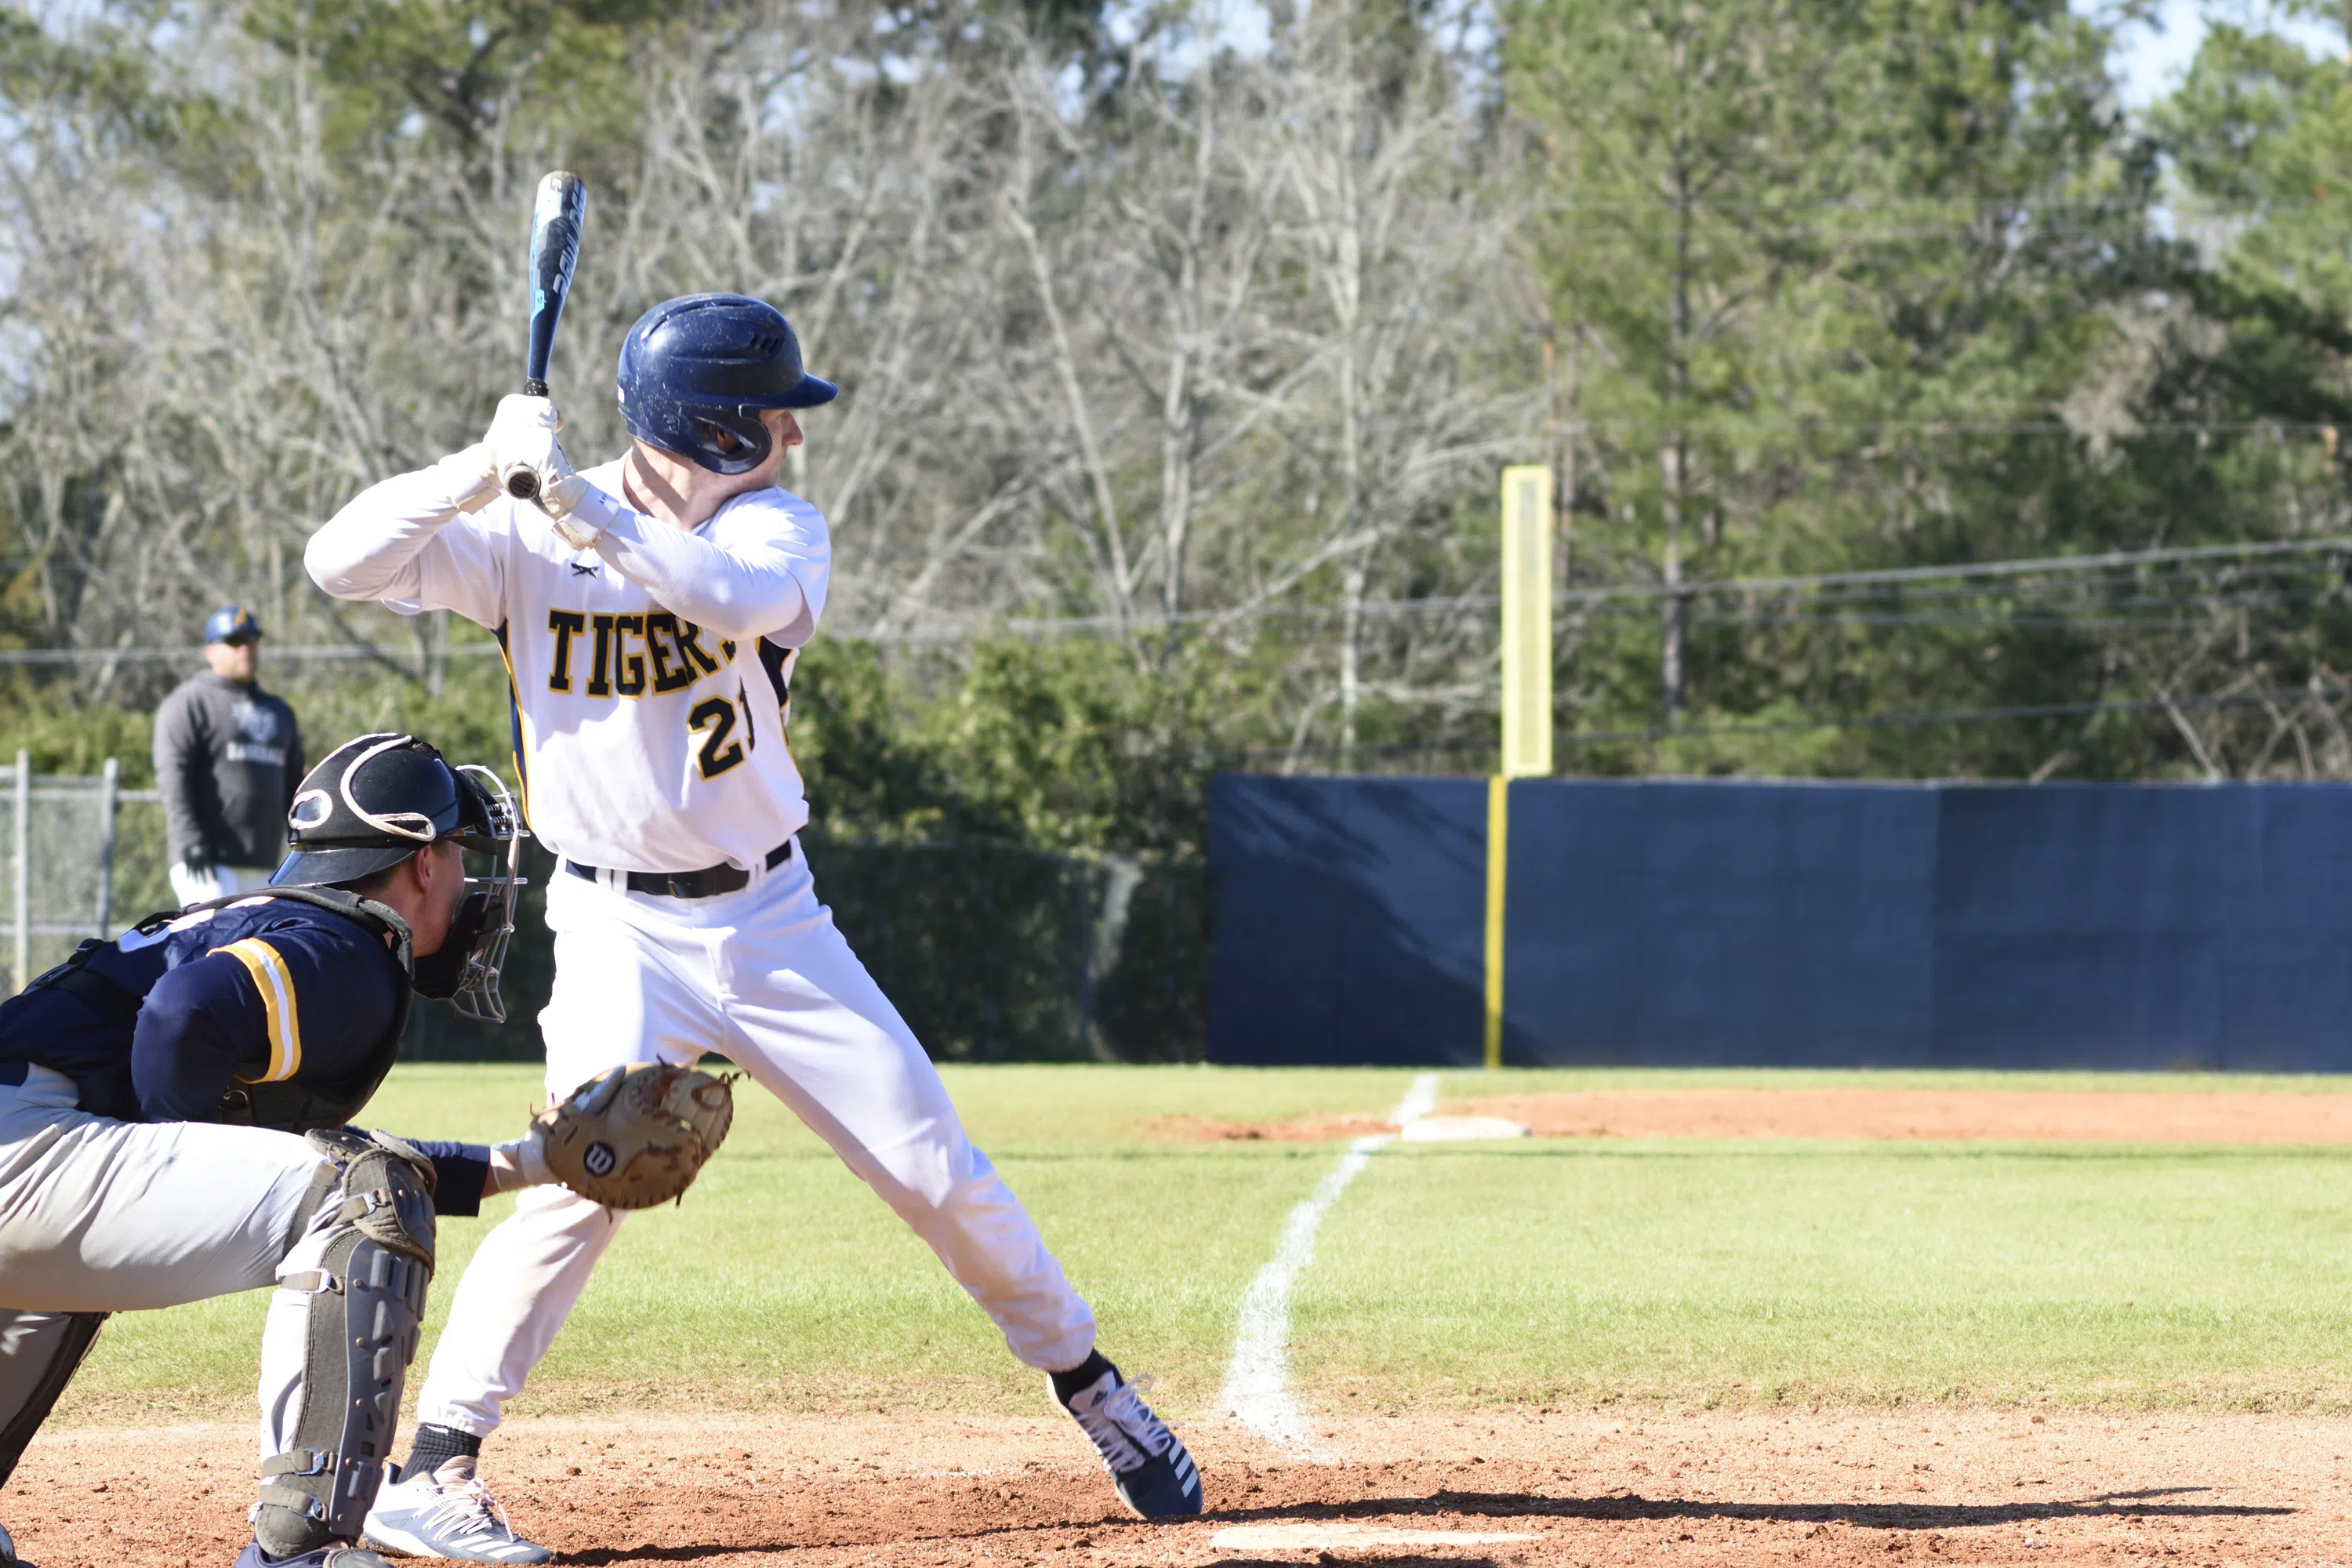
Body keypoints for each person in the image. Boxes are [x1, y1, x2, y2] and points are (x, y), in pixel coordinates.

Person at [304, 292, 1202, 1565]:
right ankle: (434, 1469)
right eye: (771, 414)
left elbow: (719, 598)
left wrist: (577, 503)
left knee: (933, 1169)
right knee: (580, 1174)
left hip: (773, 917)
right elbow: (338, 562)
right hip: (616, 924)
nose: (793, 433)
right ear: (707, 424)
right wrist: (482, 468)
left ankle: (1091, 1388)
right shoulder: (522, 526)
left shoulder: (774, 524)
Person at [0, 732, 554, 1568]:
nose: (469, 880)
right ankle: (299, 1547)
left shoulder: (264, 918)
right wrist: (176, 1142)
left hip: (28, 1140)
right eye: (459, 851)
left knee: (341, 1181)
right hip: (26, 1156)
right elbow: (184, 1016)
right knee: (367, 1196)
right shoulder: (351, 947)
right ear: (421, 863)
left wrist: (531, 1161)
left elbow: (288, 1148)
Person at [155, 606, 306, 906]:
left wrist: (303, 844)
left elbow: (295, 787)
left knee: (256, 950)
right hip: (208, 863)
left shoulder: (278, 711)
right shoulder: (190, 702)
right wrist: (189, 841)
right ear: (211, 651)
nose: (246, 649)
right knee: (216, 946)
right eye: (235, 641)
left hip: (265, 864)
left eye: (252, 640)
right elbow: (173, 778)